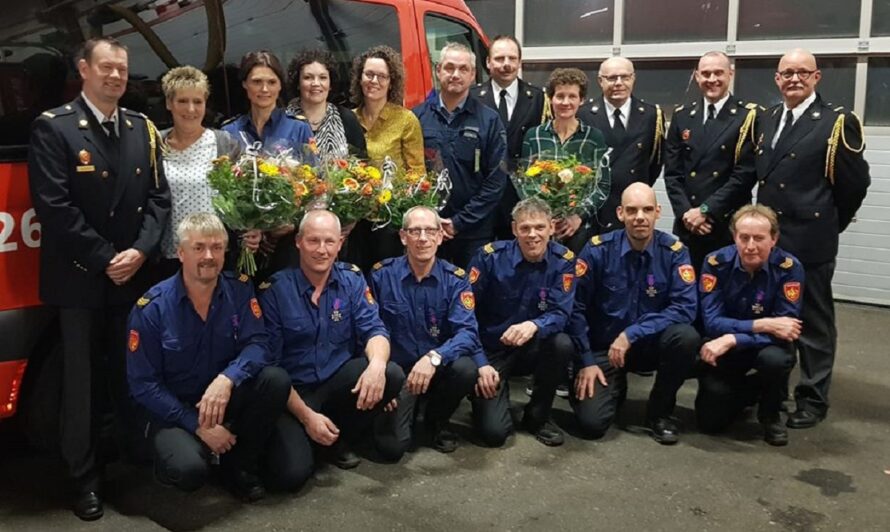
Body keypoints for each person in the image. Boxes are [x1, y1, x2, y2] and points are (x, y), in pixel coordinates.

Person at [27, 37, 171, 520]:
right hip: (81, 279)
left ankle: (131, 461)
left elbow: (158, 199)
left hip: (132, 275)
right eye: (106, 67)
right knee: (81, 386)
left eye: (122, 70)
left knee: (129, 375)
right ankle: (83, 479)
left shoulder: (141, 127)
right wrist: (107, 257)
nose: (115, 76)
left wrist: (140, 251)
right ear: (83, 68)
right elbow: (55, 207)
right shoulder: (55, 128)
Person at [127, 214, 292, 500]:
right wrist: (196, 425)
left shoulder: (239, 290)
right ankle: (177, 458)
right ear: (180, 253)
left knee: (274, 380)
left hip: (221, 398)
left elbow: (258, 344)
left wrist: (227, 379)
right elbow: (143, 385)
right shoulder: (152, 308)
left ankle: (238, 466)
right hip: (174, 410)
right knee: (189, 471)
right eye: (198, 247)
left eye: (216, 248)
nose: (208, 256)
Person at [755, 49, 870, 428]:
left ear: (817, 77)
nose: (794, 79)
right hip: (773, 240)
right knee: (774, 316)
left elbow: (854, 184)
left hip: (811, 237)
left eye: (802, 72)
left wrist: (828, 222)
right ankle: (775, 391)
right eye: (786, 73)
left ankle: (813, 398)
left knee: (814, 322)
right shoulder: (768, 118)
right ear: (776, 79)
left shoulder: (837, 121)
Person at [260, 210, 405, 471]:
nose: (322, 250)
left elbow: (375, 329)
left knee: (390, 374)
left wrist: (376, 368)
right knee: (291, 474)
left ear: (340, 243)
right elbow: (271, 367)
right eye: (313, 241)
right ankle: (313, 435)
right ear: (298, 242)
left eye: (329, 241)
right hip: (294, 393)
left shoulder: (351, 279)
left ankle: (340, 438)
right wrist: (307, 418)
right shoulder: (275, 290)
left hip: (335, 383)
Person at [569, 183, 699, 445]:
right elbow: (576, 308)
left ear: (657, 212)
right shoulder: (596, 251)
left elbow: (685, 308)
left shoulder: (674, 253)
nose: (640, 216)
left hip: (650, 346)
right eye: (632, 210)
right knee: (592, 424)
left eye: (647, 209)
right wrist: (585, 360)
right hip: (604, 348)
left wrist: (632, 334)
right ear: (620, 214)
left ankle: (659, 413)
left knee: (685, 337)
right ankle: (614, 387)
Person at [369, 206, 481, 459]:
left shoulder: (456, 279)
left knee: (465, 369)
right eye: (415, 231)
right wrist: (382, 383)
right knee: (391, 450)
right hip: (397, 374)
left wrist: (434, 357)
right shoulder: (381, 275)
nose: (422, 238)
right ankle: (405, 410)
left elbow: (468, 332)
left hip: (435, 369)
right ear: (402, 236)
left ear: (440, 236)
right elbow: (367, 330)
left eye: (430, 231)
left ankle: (436, 422)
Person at [467, 198, 576, 447]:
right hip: (492, 351)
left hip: (532, 347)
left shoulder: (564, 261)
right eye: (525, 228)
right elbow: (465, 314)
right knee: (494, 434)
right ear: (514, 229)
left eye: (539, 227)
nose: (532, 235)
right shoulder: (489, 258)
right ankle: (481, 399)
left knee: (561, 344)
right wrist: (480, 363)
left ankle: (538, 416)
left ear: (551, 227)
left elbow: (561, 313)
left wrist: (534, 325)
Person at [695, 205, 804, 446]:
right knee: (710, 423)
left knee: (775, 360)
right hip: (726, 350)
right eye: (744, 238)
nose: (750, 246)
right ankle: (751, 391)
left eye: (759, 238)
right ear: (734, 236)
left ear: (773, 239)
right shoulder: (715, 263)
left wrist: (734, 337)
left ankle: (770, 414)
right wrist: (763, 323)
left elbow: (786, 331)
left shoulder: (789, 268)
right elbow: (712, 323)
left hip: (761, 347)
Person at [414, 42, 509, 268]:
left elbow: (496, 180)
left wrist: (458, 223)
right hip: (426, 232)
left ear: (473, 74)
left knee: (472, 297)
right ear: (438, 71)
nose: (455, 74)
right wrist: (430, 221)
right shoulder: (416, 118)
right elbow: (408, 175)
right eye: (449, 68)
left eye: (463, 69)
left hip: (474, 233)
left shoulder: (489, 120)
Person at [157, 65, 256, 279]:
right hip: (171, 257)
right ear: (169, 103)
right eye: (182, 101)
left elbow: (241, 198)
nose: (191, 109)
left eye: (197, 101)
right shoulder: (155, 144)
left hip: (218, 256)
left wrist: (251, 229)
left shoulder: (224, 144)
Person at [222, 50, 314, 279]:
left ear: (280, 86)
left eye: (271, 82)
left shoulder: (299, 128)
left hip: (288, 243)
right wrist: (245, 227)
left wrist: (291, 223)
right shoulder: (229, 132)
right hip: (245, 244)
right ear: (245, 84)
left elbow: (314, 186)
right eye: (257, 82)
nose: (264, 89)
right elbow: (223, 190)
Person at [664, 51, 759, 272]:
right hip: (688, 225)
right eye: (706, 74)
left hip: (725, 223)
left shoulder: (748, 117)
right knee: (686, 291)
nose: (712, 79)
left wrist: (705, 211)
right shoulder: (682, 115)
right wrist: (687, 214)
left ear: (730, 74)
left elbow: (744, 175)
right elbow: (672, 174)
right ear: (697, 76)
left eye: (718, 73)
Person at [346, 45, 425, 271]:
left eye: (382, 76)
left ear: (392, 82)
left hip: (390, 220)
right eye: (369, 74)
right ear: (360, 78)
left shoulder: (405, 120)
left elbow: (417, 174)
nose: (374, 81)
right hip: (354, 220)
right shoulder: (348, 118)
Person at [521, 67, 609, 251]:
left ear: (581, 100)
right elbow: (524, 181)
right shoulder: (533, 135)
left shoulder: (595, 138)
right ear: (550, 98)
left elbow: (602, 186)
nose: (565, 102)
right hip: (541, 230)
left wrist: (578, 216)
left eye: (572, 96)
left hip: (579, 230)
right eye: (560, 96)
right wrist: (544, 217)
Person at [470, 35, 546, 240]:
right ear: (488, 62)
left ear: (520, 62)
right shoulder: (472, 97)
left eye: (512, 58)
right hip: (482, 196)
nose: (506, 64)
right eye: (499, 58)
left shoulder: (537, 97)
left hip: (519, 198)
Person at [578, 57, 664, 235]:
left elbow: (654, 162)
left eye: (625, 77)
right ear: (600, 81)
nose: (618, 83)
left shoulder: (651, 115)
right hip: (597, 211)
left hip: (633, 210)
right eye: (612, 78)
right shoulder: (583, 115)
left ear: (633, 78)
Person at [285, 49, 367, 159]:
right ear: (298, 83)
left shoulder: (347, 119)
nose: (316, 83)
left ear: (330, 84)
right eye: (308, 77)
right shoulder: (283, 120)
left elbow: (362, 165)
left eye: (322, 77)